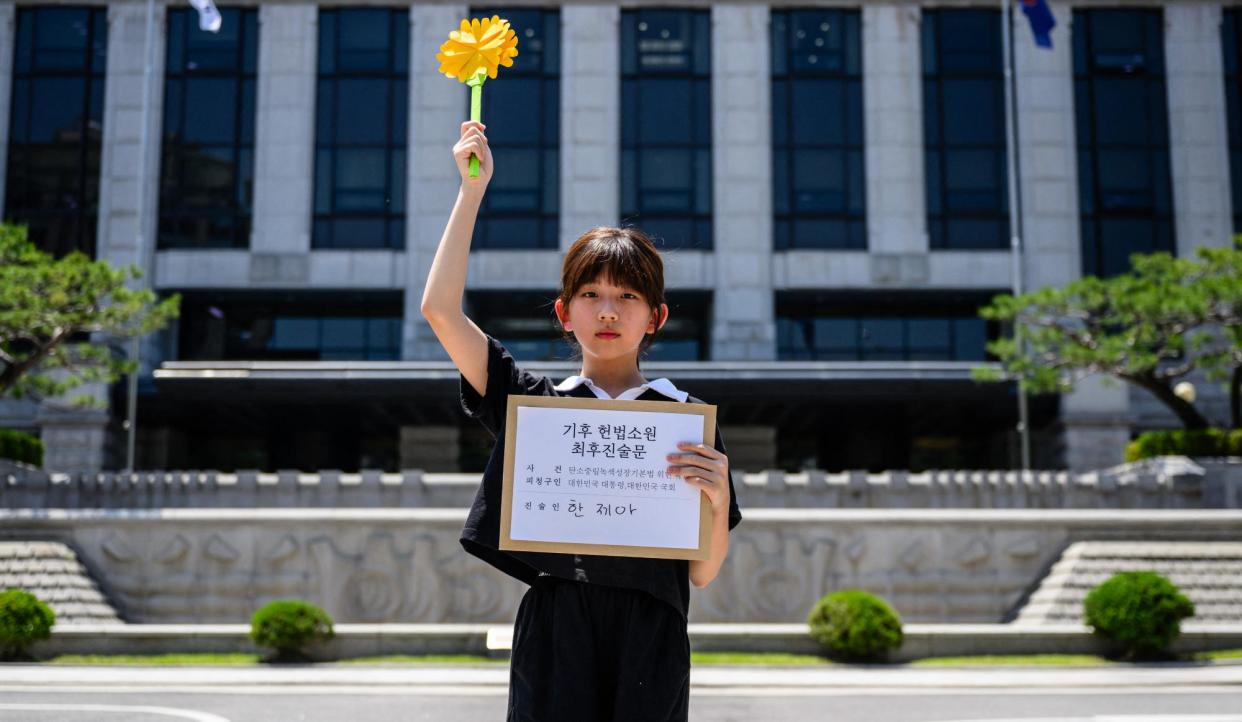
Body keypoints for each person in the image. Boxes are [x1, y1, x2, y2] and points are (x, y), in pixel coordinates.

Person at [421, 120, 743, 722]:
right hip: (556, 628)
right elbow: (439, 311)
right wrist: (471, 192)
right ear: (565, 314)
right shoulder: (536, 407)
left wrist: (718, 500)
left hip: (652, 633)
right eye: (592, 295)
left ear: (656, 317)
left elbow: (701, 573)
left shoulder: (683, 422)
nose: (609, 311)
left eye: (627, 297)